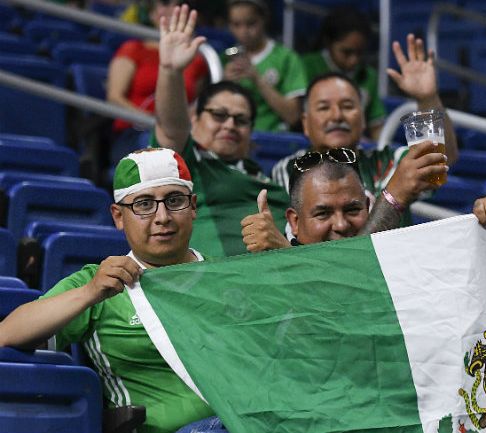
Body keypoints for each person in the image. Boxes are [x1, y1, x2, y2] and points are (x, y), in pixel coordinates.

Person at [0, 148, 219, 433]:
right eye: (143, 204)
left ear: (193, 207)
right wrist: (90, 293)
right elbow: (7, 334)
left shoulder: (225, 276)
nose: (162, 216)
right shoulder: (100, 283)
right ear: (118, 216)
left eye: (174, 201)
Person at [271, 34, 459, 222]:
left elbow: (442, 159)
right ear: (305, 123)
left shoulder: (390, 163)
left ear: (363, 120)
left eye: (347, 106)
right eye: (324, 108)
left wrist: (427, 98)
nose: (336, 115)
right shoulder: (289, 169)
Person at [152, 4, 290, 257]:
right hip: (210, 281)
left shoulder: (269, 181)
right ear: (195, 120)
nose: (229, 125)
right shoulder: (187, 165)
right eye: (219, 115)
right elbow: (171, 127)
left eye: (240, 120)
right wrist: (170, 71)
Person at [241, 141, 448, 250]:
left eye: (352, 210)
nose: (341, 225)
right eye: (323, 213)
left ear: (368, 207)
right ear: (294, 222)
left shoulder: (395, 259)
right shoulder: (268, 260)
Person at [107, 0, 208, 150]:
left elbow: (194, 104)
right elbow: (114, 97)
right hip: (135, 132)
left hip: (179, 135)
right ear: (152, 13)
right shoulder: (133, 49)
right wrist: (152, 121)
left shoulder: (196, 59)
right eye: (165, 4)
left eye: (179, 4)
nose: (173, 10)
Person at [301, 7, 386, 140]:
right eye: (347, 52)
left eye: (360, 53)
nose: (354, 60)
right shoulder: (306, 66)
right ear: (328, 43)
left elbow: (377, 127)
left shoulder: (369, 75)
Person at [223, 0, 306, 132]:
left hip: (273, 141)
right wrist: (224, 83)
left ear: (264, 19)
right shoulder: (226, 58)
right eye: (236, 24)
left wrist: (258, 80)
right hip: (234, 137)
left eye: (251, 23)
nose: (243, 31)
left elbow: (293, 116)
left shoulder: (286, 58)